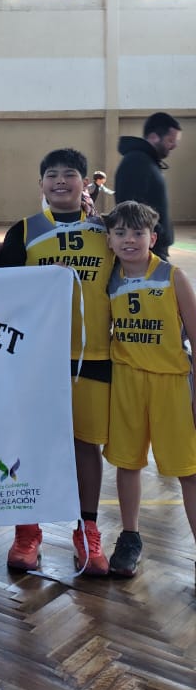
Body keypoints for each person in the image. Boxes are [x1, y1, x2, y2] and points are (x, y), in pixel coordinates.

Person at [0, 147, 113, 576]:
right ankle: (28, 530)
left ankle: (87, 530)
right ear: (41, 184)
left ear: (85, 183)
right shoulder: (24, 231)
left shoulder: (107, 231)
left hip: (93, 355)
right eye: (52, 175)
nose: (60, 181)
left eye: (69, 174)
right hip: (35, 358)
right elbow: (2, 291)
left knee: (86, 445)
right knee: (29, 444)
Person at [102, 201, 196, 580]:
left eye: (137, 233)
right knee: (128, 463)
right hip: (126, 381)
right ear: (109, 240)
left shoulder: (172, 277)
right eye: (120, 233)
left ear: (152, 238)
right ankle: (130, 537)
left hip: (171, 384)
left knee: (188, 471)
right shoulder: (109, 280)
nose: (129, 240)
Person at [114, 112, 182, 259]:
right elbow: (133, 208)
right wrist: (158, 234)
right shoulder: (136, 162)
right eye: (171, 140)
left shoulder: (147, 162)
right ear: (153, 137)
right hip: (149, 248)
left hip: (153, 245)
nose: (174, 145)